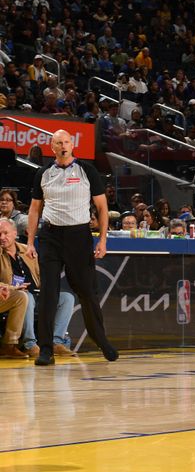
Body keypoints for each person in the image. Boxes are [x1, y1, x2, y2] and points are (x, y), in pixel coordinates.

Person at [25, 129, 118, 365]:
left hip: (79, 236)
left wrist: (103, 239)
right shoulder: (43, 173)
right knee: (48, 292)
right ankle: (46, 349)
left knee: (87, 291)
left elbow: (102, 207)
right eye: (59, 143)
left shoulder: (87, 170)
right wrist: (29, 242)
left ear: (72, 144)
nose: (63, 146)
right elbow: (35, 209)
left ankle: (101, 340)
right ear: (52, 147)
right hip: (51, 236)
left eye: (67, 141)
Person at [0, 218, 76, 357]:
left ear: (15, 233)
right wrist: (12, 288)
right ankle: (30, 344)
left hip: (38, 294)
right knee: (26, 297)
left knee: (67, 298)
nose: (2, 237)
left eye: (5, 233)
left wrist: (47, 287)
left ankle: (56, 342)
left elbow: (41, 275)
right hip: (15, 295)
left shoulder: (26, 250)